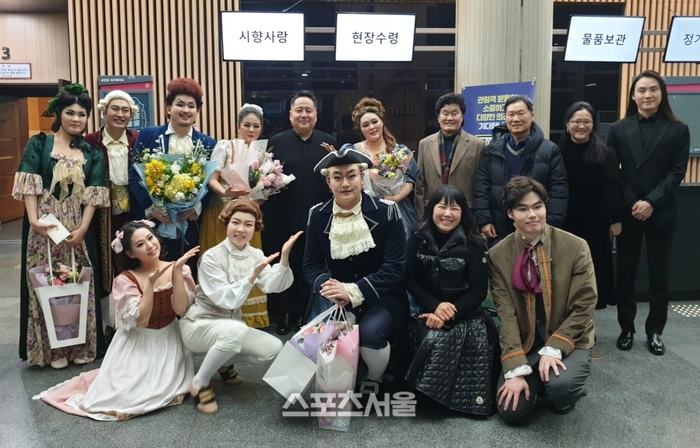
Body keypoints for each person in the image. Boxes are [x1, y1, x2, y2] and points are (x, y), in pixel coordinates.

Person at [36, 220, 197, 420]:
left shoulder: (179, 269)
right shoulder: (125, 280)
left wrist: (178, 272)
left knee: (159, 389)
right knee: (125, 396)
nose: (149, 246)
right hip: (139, 342)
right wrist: (150, 284)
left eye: (150, 238)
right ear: (131, 253)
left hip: (169, 340)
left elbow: (180, 309)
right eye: (140, 244)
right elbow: (142, 321)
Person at [13, 84, 109, 369]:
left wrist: (83, 229)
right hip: (43, 225)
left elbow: (93, 195)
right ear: (59, 113)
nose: (76, 119)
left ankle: (80, 345)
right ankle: (52, 350)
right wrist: (34, 220)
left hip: (77, 226)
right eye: (70, 112)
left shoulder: (93, 152)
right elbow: (29, 184)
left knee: (80, 282)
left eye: (82, 114)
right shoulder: (40, 143)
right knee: (44, 283)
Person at [489, 176, 596, 424]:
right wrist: (515, 369)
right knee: (511, 412)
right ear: (510, 214)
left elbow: (584, 305)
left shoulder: (575, 246)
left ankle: (560, 387)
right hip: (526, 341)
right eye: (522, 209)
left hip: (568, 336)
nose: (532, 215)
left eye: (537, 206)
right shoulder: (498, 255)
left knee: (563, 388)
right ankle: (536, 379)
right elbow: (506, 314)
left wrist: (556, 347)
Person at [304, 148, 408, 399]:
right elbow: (311, 266)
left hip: (384, 295)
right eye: (337, 177)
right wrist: (329, 289)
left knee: (370, 334)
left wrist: (354, 290)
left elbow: (395, 267)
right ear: (328, 183)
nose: (345, 183)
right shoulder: (317, 215)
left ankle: (374, 378)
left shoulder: (387, 212)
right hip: (338, 299)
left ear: (362, 179)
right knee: (324, 341)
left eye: (351, 175)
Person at [180, 199, 303, 414]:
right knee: (236, 330)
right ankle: (200, 382)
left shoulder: (255, 254)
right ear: (226, 224)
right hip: (199, 324)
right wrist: (251, 276)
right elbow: (226, 299)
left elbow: (273, 285)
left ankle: (221, 363)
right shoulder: (211, 257)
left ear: (255, 228)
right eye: (235, 222)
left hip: (230, 327)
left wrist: (284, 258)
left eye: (248, 224)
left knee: (273, 348)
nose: (241, 229)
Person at [608, 70, 690, 356]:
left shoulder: (678, 129)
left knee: (659, 274)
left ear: (662, 93)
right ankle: (626, 328)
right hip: (629, 210)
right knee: (626, 273)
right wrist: (634, 201)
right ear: (633, 95)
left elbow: (677, 172)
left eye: (653, 89)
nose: (647, 95)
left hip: (662, 210)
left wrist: (651, 202)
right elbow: (613, 171)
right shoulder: (618, 128)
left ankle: (655, 331)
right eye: (641, 90)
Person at [403, 186, 499, 415]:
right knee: (426, 339)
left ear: (463, 212)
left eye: (454, 208)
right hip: (428, 309)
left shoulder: (475, 242)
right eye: (442, 207)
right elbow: (409, 280)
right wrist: (435, 306)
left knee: (471, 343)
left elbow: (478, 293)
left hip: (466, 312)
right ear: (431, 209)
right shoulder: (416, 237)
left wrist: (449, 311)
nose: (447, 213)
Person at [261, 90, 337, 335]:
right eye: (299, 110)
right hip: (281, 216)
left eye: (309, 110)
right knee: (285, 263)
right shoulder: (277, 141)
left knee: (310, 265)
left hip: (317, 219)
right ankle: (284, 312)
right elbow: (264, 177)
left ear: (316, 115)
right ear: (290, 114)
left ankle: (305, 313)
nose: (304, 115)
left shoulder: (328, 142)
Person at [129, 77, 217, 278]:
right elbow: (134, 177)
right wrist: (151, 208)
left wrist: (197, 208)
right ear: (168, 108)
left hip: (190, 222)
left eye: (191, 106)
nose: (185, 110)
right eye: (180, 104)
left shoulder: (208, 143)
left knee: (187, 272)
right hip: (154, 223)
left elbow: (212, 183)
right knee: (154, 273)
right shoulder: (148, 135)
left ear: (197, 111)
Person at [199, 103, 271, 328]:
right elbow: (211, 180)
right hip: (222, 214)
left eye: (256, 126)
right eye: (247, 125)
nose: (251, 130)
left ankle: (250, 318)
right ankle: (218, 316)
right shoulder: (225, 146)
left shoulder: (262, 154)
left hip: (248, 217)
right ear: (238, 126)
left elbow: (266, 189)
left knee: (249, 261)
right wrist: (227, 194)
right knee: (222, 262)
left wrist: (256, 200)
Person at [474, 95, 568, 246]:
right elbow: (481, 187)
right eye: (511, 114)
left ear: (532, 115)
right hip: (499, 228)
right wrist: (484, 220)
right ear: (505, 118)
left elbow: (558, 192)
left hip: (535, 228)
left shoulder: (549, 150)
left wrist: (549, 226)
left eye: (521, 113)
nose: (515, 119)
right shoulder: (492, 150)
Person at [559, 101, 623, 310]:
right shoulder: (557, 152)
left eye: (587, 121)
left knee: (594, 270)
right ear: (567, 124)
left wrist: (616, 219)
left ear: (593, 124)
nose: (581, 126)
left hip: (597, 224)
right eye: (576, 121)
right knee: (567, 271)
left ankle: (588, 317)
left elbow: (614, 188)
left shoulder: (606, 153)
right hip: (566, 223)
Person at [85, 90, 140, 297]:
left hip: (133, 212)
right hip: (101, 214)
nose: (120, 114)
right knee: (103, 259)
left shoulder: (137, 140)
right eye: (114, 109)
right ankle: (104, 310)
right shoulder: (91, 141)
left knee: (133, 255)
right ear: (104, 112)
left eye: (125, 110)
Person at [338, 97, 419, 236]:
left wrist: (394, 199)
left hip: (397, 205)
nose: (371, 127)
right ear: (360, 129)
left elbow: (409, 180)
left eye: (375, 122)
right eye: (365, 125)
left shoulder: (399, 151)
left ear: (382, 121)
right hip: (363, 208)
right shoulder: (354, 151)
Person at [414, 93, 485, 218]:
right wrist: (420, 216)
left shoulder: (478, 145)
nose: (449, 118)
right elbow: (420, 184)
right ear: (438, 117)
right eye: (445, 113)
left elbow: (481, 185)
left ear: (462, 117)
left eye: (454, 113)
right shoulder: (424, 144)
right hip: (432, 211)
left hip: (465, 212)